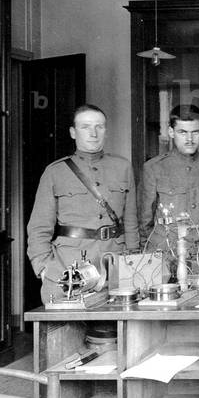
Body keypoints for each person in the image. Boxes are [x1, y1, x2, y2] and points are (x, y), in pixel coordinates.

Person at [27, 104, 138, 305]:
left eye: (99, 126)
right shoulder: (55, 172)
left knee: (115, 333)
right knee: (66, 333)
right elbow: (38, 227)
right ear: (73, 132)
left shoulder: (122, 167)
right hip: (68, 270)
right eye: (85, 127)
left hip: (115, 268)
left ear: (106, 130)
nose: (93, 133)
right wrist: (43, 268)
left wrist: (133, 264)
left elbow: (131, 223)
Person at [139, 104, 199, 254]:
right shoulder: (153, 168)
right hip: (167, 252)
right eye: (182, 132)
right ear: (171, 132)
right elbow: (145, 220)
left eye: (195, 132)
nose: (190, 139)